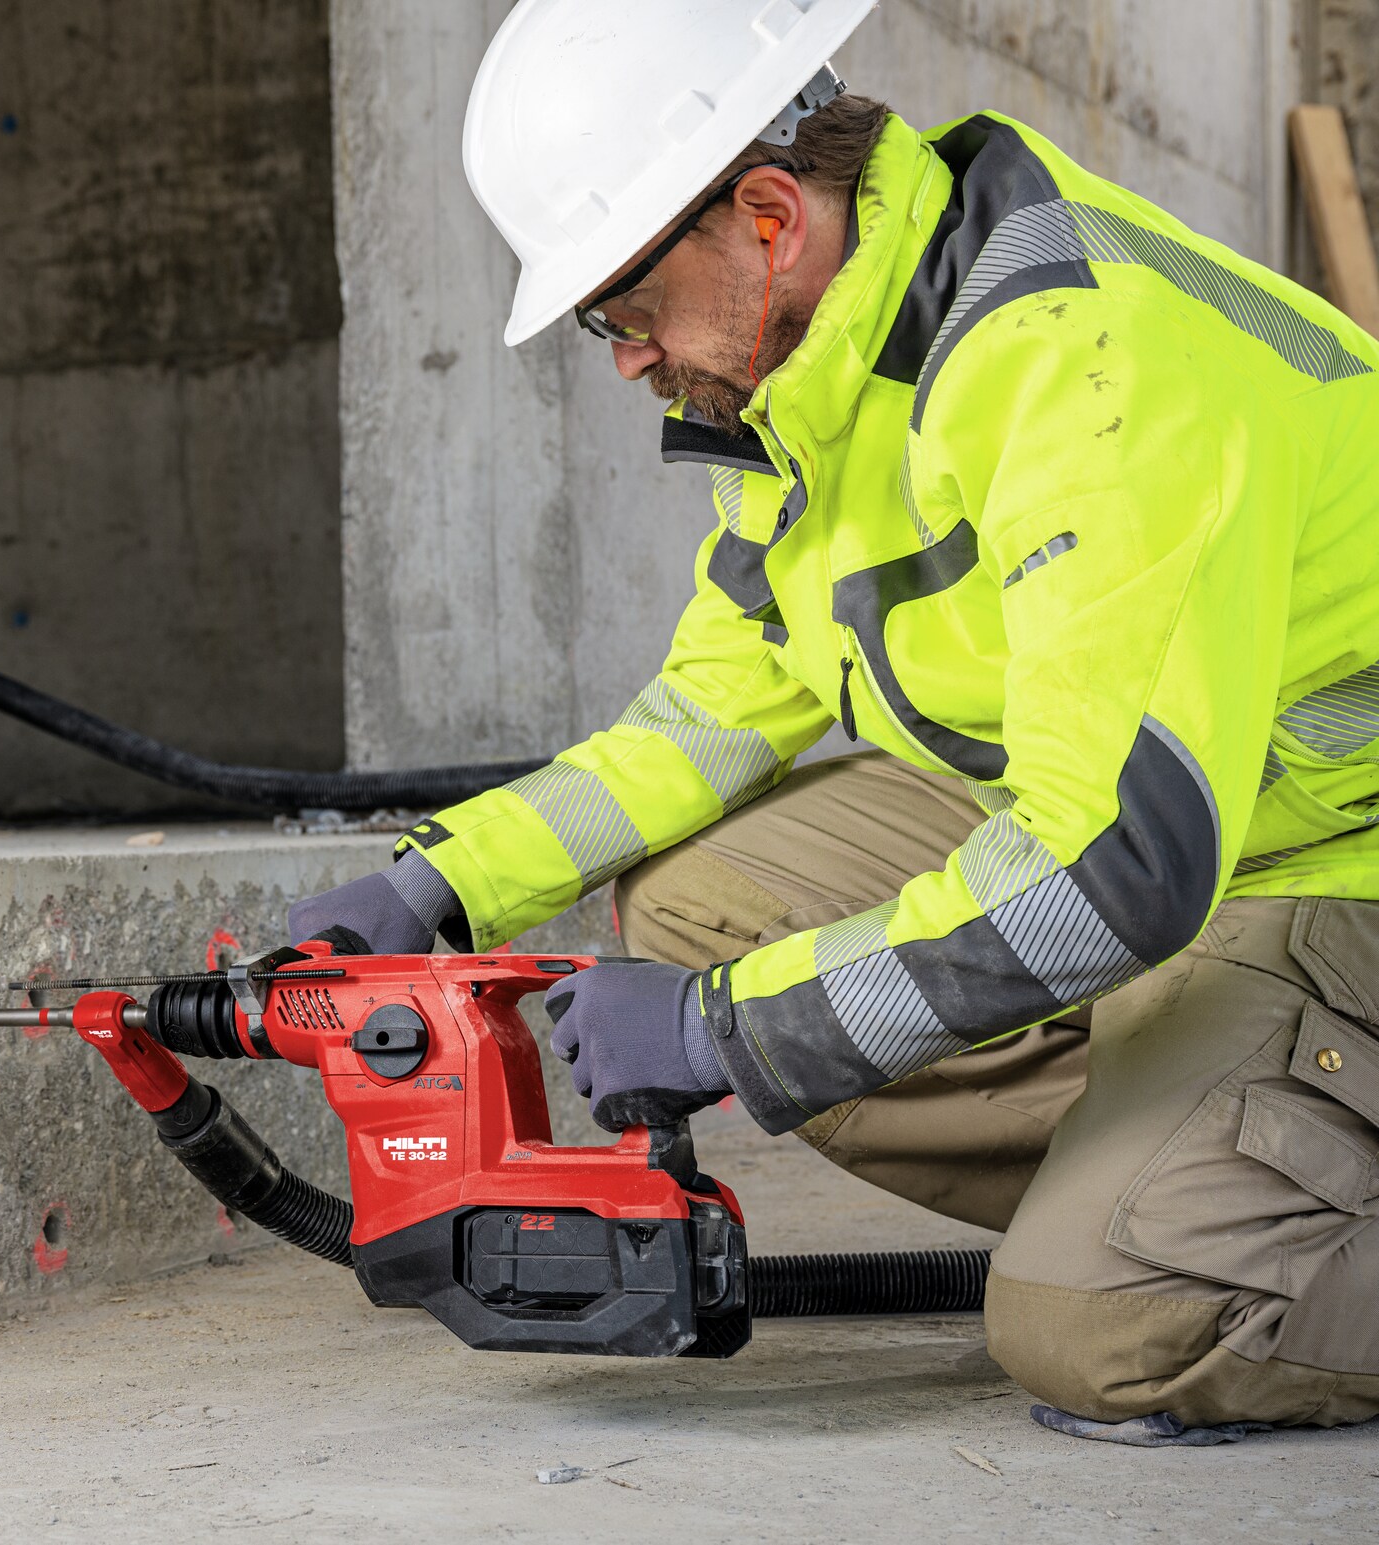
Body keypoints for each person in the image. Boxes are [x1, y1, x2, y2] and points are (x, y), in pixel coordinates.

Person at [290, 0, 1379, 1444]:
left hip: (1329, 868)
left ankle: (1192, 1220)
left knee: (1113, 1322)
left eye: (622, 305)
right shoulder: (817, 390)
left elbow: (1117, 865)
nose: (621, 358)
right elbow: (708, 710)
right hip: (1213, 851)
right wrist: (434, 882)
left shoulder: (1084, 366)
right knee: (696, 904)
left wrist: (734, 1030)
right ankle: (1197, 1161)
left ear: (766, 213)